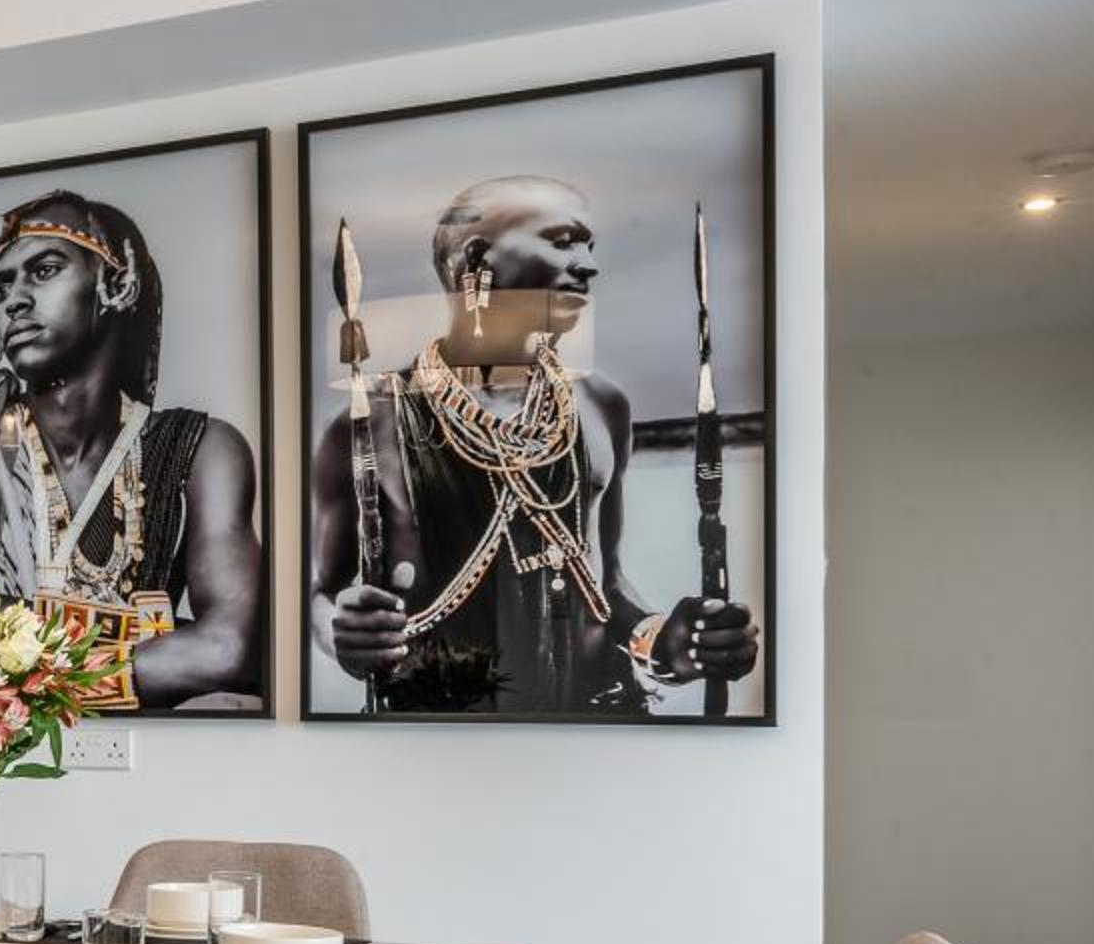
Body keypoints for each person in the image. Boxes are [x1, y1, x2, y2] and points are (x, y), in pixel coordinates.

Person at [308, 174, 760, 714]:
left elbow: (603, 585)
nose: (588, 265)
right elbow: (323, 594)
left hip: (595, 720)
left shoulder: (600, 404)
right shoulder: (370, 420)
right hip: (435, 730)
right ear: (479, 256)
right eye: (564, 241)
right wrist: (344, 634)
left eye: (590, 246)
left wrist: (667, 643)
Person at [0, 190, 261, 709]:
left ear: (118, 284)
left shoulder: (204, 448)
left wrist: (33, 675)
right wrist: (153, 652)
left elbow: (231, 649)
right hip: (5, 745)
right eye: (2, 287)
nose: (13, 300)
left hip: (157, 745)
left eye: (44, 270)